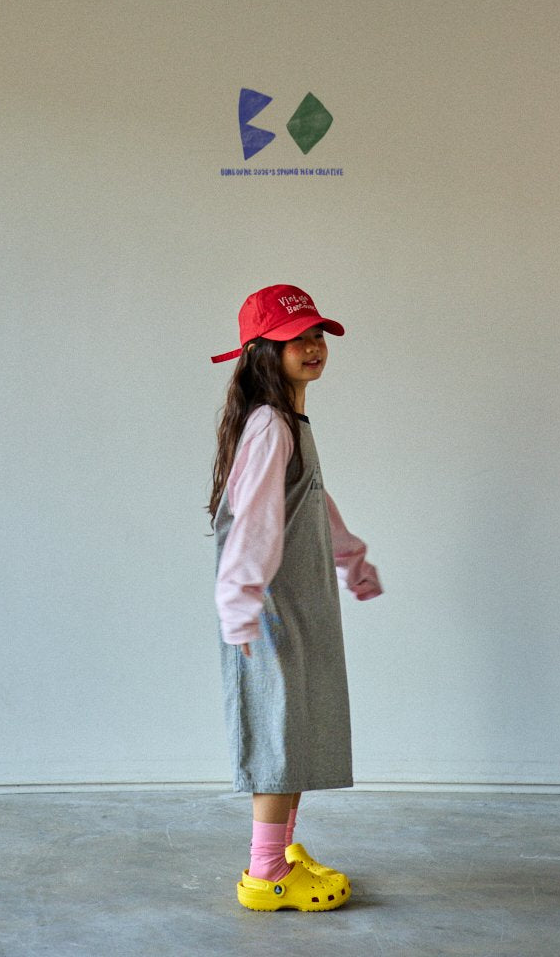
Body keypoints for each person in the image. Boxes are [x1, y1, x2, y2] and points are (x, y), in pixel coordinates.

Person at [209, 283, 383, 912]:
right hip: (269, 607)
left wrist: (350, 557)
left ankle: (281, 851)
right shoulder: (269, 426)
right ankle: (266, 874)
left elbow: (311, 498)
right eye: (294, 339)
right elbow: (253, 520)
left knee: (299, 723)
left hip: (296, 598)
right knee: (277, 729)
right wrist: (240, 607)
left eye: (316, 335)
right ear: (262, 351)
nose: (312, 347)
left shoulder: (289, 420)